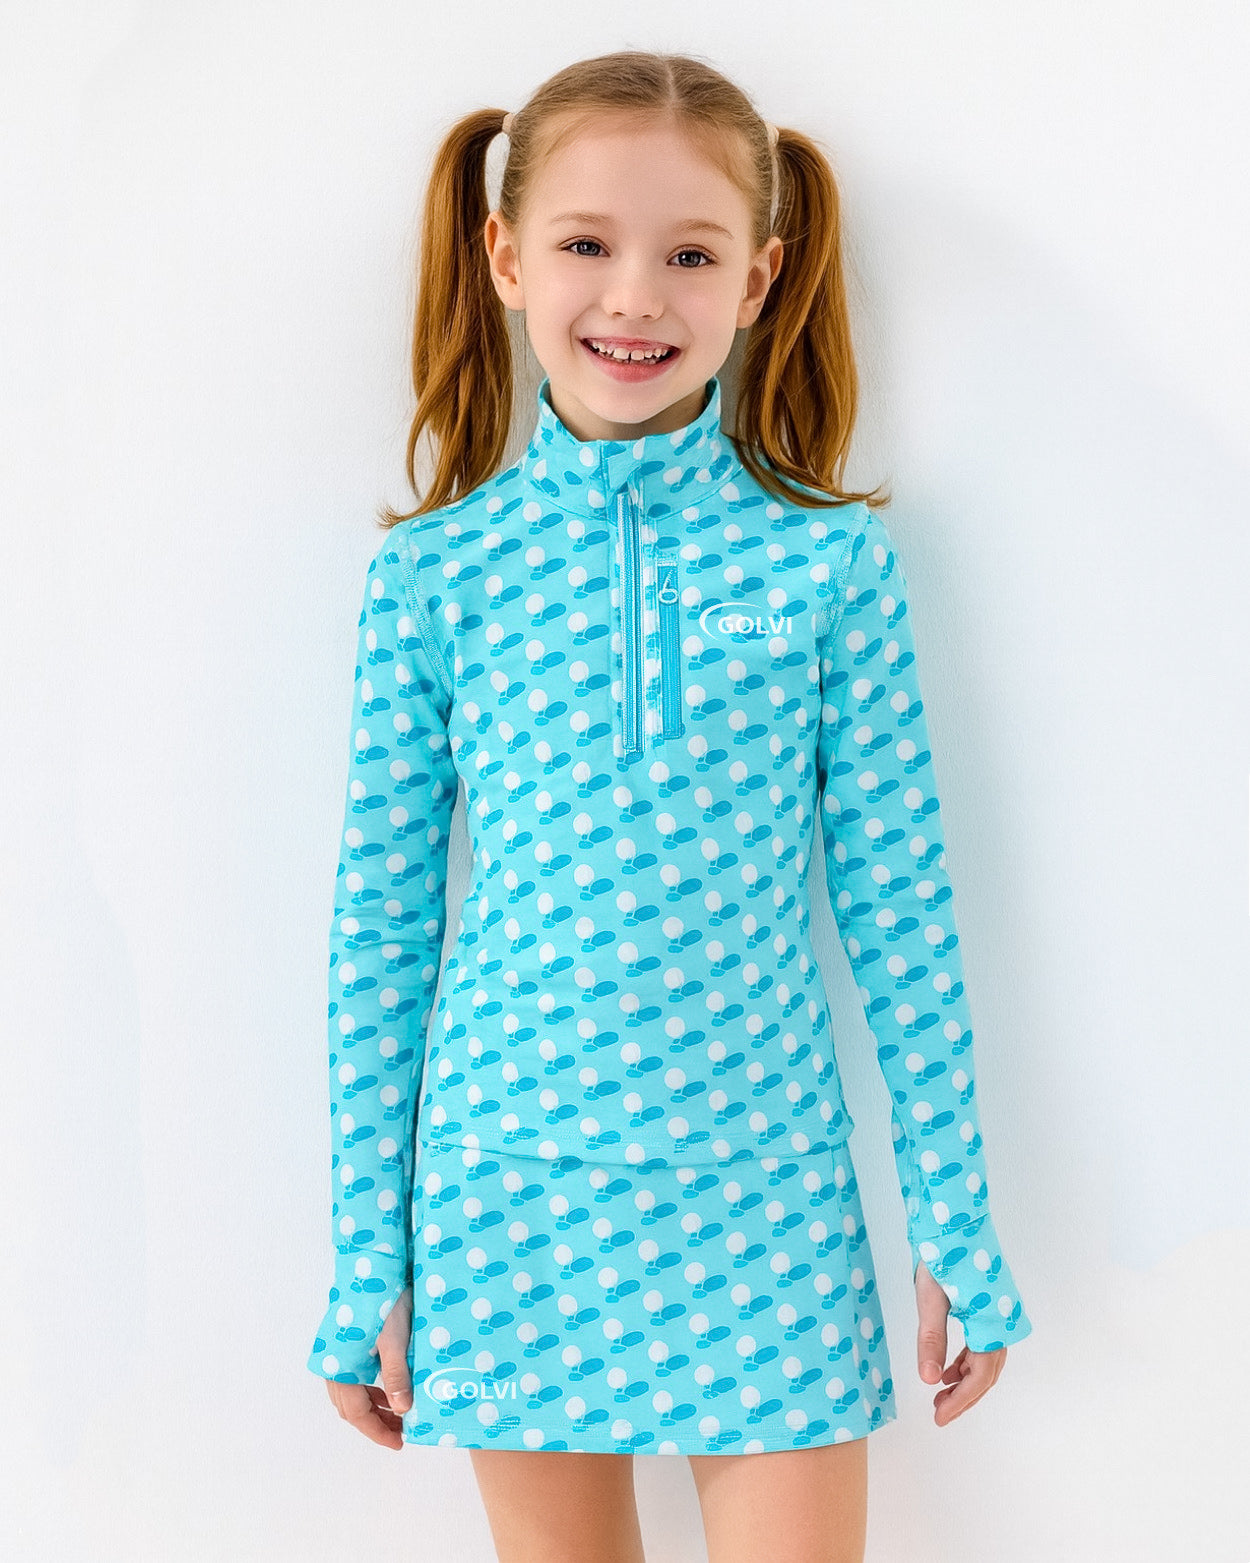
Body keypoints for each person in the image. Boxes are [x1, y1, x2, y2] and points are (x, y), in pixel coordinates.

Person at [306, 48, 1033, 1563]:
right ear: (507, 258)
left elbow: (900, 913)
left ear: (758, 279)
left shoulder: (828, 566)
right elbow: (380, 933)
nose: (634, 297)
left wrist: (956, 1222)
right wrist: (366, 1257)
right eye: (586, 243)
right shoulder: (434, 576)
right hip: (510, 1197)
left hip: (765, 1195)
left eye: (690, 255)